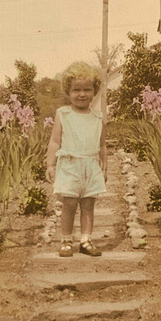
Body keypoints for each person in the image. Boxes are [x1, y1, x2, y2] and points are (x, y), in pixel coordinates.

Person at [46, 62, 107, 257]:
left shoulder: (98, 117)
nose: (82, 94)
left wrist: (104, 167)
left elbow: (102, 145)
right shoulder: (63, 114)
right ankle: (66, 240)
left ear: (94, 91)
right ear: (68, 91)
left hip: (90, 165)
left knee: (88, 204)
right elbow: (55, 142)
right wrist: (50, 164)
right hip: (70, 166)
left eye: (87, 89)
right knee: (69, 203)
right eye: (76, 90)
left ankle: (86, 240)